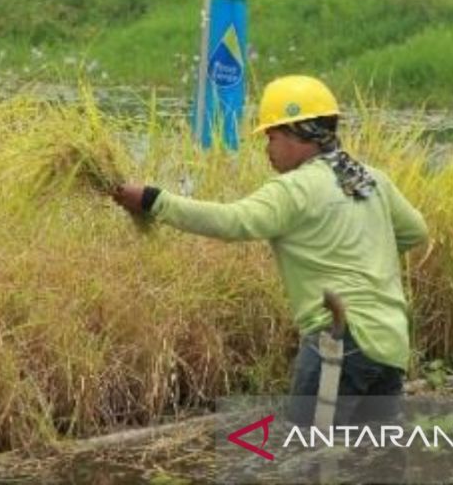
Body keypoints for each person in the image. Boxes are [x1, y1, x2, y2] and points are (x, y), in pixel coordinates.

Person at [112, 75, 428, 425]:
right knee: (376, 460)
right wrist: (368, 254)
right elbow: (415, 231)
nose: (267, 148)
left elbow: (232, 221)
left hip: (341, 340)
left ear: (300, 133)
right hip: (391, 340)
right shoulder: (369, 178)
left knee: (310, 455)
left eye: (272, 137)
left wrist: (153, 200)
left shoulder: (294, 188)